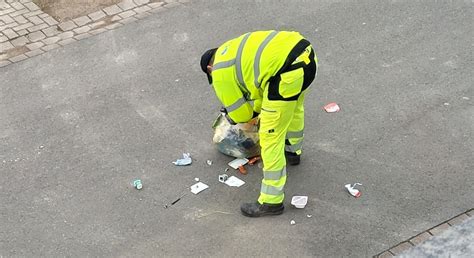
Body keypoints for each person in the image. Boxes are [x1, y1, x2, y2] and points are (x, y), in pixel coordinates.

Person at [200, 30, 318, 217]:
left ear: (209, 68)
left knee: (271, 136)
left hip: (285, 73)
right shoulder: (231, 50)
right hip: (306, 56)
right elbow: (261, 86)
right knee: (294, 108)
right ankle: (293, 152)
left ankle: (271, 202)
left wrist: (232, 117)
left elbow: (241, 114)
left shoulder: (219, 72)